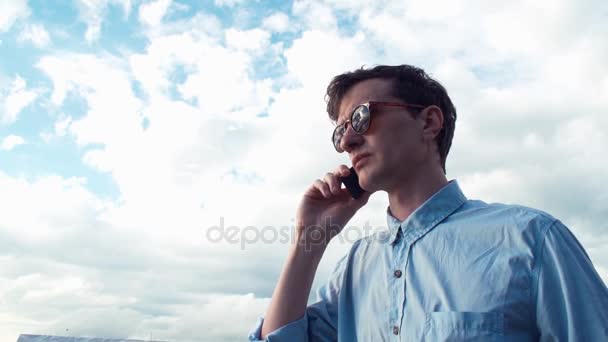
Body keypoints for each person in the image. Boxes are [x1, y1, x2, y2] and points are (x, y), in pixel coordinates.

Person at [247, 65, 608, 341]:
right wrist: (309, 241)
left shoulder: (531, 240)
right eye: (340, 132)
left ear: (429, 122)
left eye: (361, 117)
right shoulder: (356, 267)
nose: (348, 142)